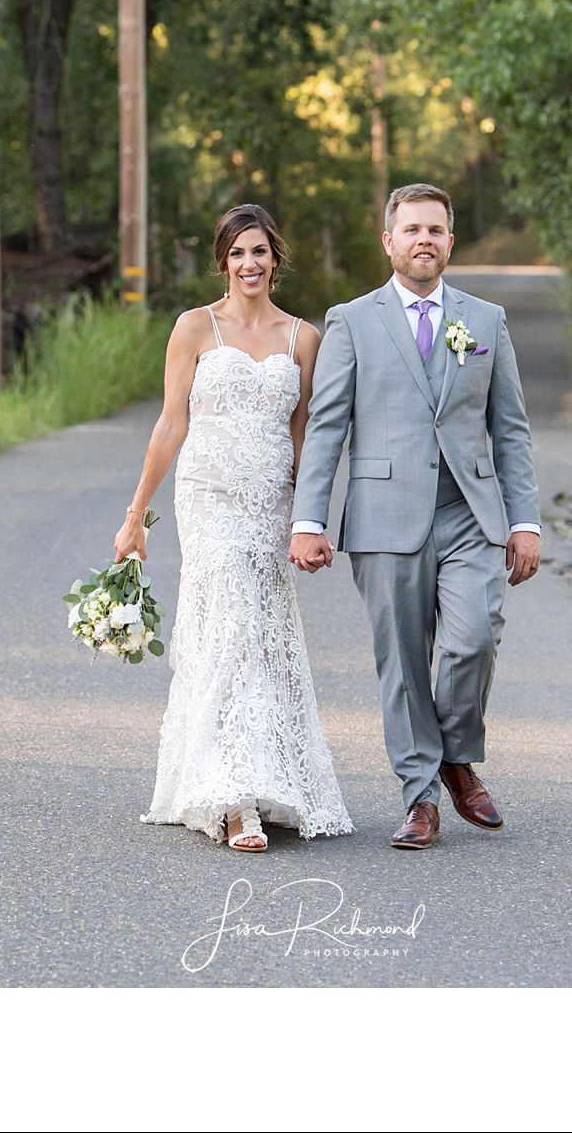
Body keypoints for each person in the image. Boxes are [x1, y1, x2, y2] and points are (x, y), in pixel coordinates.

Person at [289, 182, 541, 850]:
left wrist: (526, 521)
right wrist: (308, 518)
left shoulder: (485, 321)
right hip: (382, 515)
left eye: (436, 230)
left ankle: (456, 752)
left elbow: (510, 430)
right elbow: (326, 426)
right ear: (389, 240)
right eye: (412, 229)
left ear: (450, 242)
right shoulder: (351, 320)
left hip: (468, 513)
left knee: (474, 637)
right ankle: (421, 796)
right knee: (402, 662)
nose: (424, 240)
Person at [121, 204, 354, 852]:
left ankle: (268, 775)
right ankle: (234, 799)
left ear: (276, 258)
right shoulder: (195, 328)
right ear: (222, 261)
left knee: (259, 634)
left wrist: (310, 520)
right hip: (210, 500)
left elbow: (308, 436)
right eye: (237, 252)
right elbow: (171, 424)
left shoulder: (302, 337)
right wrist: (135, 515)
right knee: (228, 627)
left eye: (260, 251)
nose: (249, 263)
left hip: (270, 506)